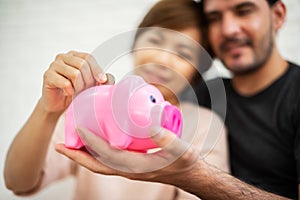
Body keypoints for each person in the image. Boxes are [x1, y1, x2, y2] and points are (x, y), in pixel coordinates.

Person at [53, 0, 299, 199]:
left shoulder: (205, 116)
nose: (228, 29)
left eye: (244, 11)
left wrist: (190, 176)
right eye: (214, 18)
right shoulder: (196, 94)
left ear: (277, 15)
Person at [4, 0, 229, 199]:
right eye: (155, 40)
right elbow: (19, 183)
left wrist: (185, 174)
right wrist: (48, 111)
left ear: (196, 72)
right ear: (135, 43)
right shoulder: (93, 105)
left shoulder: (203, 126)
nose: (162, 58)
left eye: (184, 54)